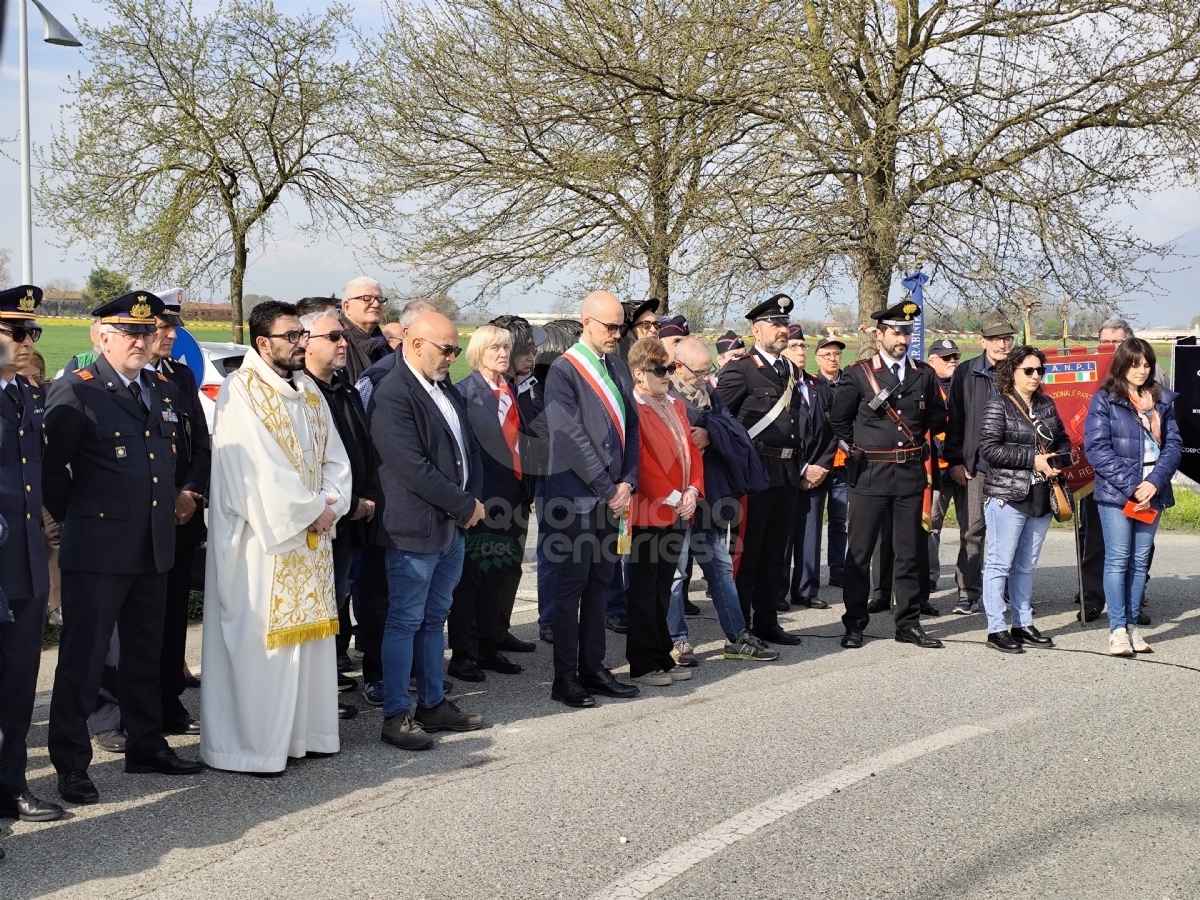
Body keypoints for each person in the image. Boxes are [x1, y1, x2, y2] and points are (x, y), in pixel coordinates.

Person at [44, 291, 202, 805]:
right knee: (83, 661)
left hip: (152, 545)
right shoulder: (78, 390)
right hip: (97, 549)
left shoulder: (158, 385)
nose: (141, 340)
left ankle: (147, 745)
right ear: (103, 337)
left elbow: (163, 462)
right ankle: (70, 764)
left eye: (146, 331)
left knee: (143, 656)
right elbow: (52, 475)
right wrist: (86, 521)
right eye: (129, 333)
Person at [199, 301, 353, 773]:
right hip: (260, 545)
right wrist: (312, 511)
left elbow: (336, 460)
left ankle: (305, 734)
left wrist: (330, 504)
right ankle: (254, 747)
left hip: (309, 536)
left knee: (305, 648)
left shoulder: (308, 390)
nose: (301, 343)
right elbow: (258, 472)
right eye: (292, 336)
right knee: (263, 648)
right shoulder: (240, 392)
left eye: (303, 335)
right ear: (262, 343)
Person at [371, 311, 486, 749]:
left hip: (452, 527)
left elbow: (468, 451)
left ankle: (433, 704)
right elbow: (411, 468)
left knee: (435, 618)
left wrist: (472, 499)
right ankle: (396, 714)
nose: (451, 357)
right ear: (414, 343)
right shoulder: (393, 393)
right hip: (414, 530)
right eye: (445, 349)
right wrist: (463, 505)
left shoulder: (445, 389)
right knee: (405, 620)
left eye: (455, 349)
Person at [542, 290, 641, 707]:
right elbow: (569, 437)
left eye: (621, 326)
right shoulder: (564, 371)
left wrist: (629, 482)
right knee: (571, 589)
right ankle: (565, 676)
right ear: (587, 323)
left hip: (612, 497)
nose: (618, 334)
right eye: (611, 326)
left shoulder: (616, 366)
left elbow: (632, 428)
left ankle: (594, 667)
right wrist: (607, 488)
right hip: (577, 498)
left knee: (602, 584)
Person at [830, 300, 947, 650]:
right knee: (860, 553)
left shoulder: (922, 373)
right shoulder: (859, 373)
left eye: (907, 332)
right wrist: (861, 446)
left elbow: (935, 418)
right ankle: (854, 624)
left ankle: (908, 623)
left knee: (909, 552)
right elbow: (838, 419)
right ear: (879, 334)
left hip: (909, 476)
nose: (903, 338)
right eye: (896, 332)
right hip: (870, 474)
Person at [665, 338, 777, 662]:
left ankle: (737, 636)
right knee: (676, 573)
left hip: (707, 494)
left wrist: (710, 433)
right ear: (677, 366)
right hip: (674, 496)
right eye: (697, 373)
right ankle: (678, 640)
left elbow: (734, 428)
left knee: (719, 566)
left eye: (707, 371)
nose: (704, 378)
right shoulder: (662, 392)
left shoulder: (708, 393)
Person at [0, 286, 62, 822]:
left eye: (32, 333)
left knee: (20, 681)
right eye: (16, 333)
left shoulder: (23, 393)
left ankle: (12, 783)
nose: (27, 342)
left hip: (23, 562)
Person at [716, 293, 809, 646]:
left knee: (775, 553)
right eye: (776, 324)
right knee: (747, 555)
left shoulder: (788, 369)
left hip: (786, 471)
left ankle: (767, 620)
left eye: (785, 323)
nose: (782, 329)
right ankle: (741, 627)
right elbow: (718, 418)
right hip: (754, 474)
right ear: (757, 330)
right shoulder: (739, 370)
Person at [301, 301, 379, 717]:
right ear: (307, 342)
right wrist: (344, 503)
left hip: (354, 515)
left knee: (340, 596)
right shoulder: (302, 393)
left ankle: (330, 675)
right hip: (323, 516)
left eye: (343, 336)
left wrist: (366, 494)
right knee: (322, 602)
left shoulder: (345, 389)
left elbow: (364, 449)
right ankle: (319, 691)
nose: (342, 342)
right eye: (332, 336)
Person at [1084, 338, 1182, 656]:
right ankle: (1116, 630)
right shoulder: (1105, 400)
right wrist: (1133, 486)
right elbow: (1097, 450)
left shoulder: (1162, 400)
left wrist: (1153, 483)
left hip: (1153, 492)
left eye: (1146, 364)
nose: (1141, 370)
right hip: (1118, 494)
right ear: (1122, 365)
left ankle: (1132, 625)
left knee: (1140, 562)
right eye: (1135, 364)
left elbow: (1173, 446)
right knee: (1118, 558)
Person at [447, 325, 528, 681]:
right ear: (479, 351)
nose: (503, 353)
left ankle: (489, 649)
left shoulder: (508, 388)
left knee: (496, 574)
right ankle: (463, 653)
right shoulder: (465, 393)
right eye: (495, 347)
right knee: (471, 578)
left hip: (510, 496)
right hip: (481, 498)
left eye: (506, 347)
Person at [976, 346, 1069, 653]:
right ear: (1012, 372)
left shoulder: (1046, 404)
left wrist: (1058, 458)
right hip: (1007, 495)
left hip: (1042, 493)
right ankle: (996, 628)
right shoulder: (998, 405)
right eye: (1028, 371)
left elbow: (1063, 439)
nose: (1035, 376)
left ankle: (1023, 623)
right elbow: (989, 450)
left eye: (1040, 370)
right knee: (999, 563)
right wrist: (1033, 459)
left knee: (1026, 565)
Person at [623, 338, 702, 686]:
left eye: (670, 368)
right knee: (645, 589)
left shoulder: (676, 405)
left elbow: (693, 450)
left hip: (678, 508)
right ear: (640, 374)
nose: (668, 375)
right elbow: (640, 459)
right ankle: (642, 664)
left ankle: (661, 654)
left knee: (661, 589)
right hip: (649, 510)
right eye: (661, 370)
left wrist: (693, 490)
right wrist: (673, 496)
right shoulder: (633, 406)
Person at [148, 296, 210, 736]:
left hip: (184, 517)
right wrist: (169, 496)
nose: (172, 334)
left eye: (173, 327)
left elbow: (201, 445)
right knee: (138, 624)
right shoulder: (115, 381)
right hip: (146, 518)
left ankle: (169, 703)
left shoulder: (181, 377)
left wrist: (189, 492)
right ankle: (129, 713)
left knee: (172, 617)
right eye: (161, 327)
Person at [944, 310, 1016, 615]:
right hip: (977, 468)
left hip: (1014, 466)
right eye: (997, 338)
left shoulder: (1022, 370)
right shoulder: (966, 372)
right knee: (972, 531)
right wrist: (956, 461)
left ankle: (1009, 593)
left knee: (1012, 533)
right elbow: (955, 420)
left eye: (1007, 338)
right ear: (982, 340)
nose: (1003, 343)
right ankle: (967, 593)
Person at [487, 314, 547, 654]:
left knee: (511, 565)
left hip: (522, 492)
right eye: (523, 349)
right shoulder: (489, 389)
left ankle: (499, 629)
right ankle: (479, 639)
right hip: (496, 493)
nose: (531, 355)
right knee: (488, 566)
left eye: (532, 349)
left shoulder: (530, 386)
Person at [530, 318, 583, 644]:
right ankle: (549, 618)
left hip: (584, 478)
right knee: (554, 552)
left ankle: (568, 613)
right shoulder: (542, 386)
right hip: (553, 480)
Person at [780, 324, 835, 610]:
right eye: (793, 346)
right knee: (782, 535)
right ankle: (777, 592)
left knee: (810, 532)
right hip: (787, 473)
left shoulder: (819, 386)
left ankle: (805, 589)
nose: (800, 351)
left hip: (817, 473)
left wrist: (820, 466)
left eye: (802, 346)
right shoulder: (777, 386)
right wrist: (802, 469)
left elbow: (832, 429)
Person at [925, 338, 959, 595]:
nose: (952, 361)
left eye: (955, 357)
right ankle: (929, 577)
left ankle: (968, 585)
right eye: (946, 357)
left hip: (963, 466)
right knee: (931, 526)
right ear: (932, 360)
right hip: (936, 468)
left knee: (973, 530)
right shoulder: (926, 385)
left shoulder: (966, 383)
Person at [814, 336, 848, 587]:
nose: (833, 359)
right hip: (818, 464)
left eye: (836, 354)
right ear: (818, 359)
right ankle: (809, 574)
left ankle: (838, 569)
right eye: (827, 354)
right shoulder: (811, 385)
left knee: (840, 521)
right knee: (812, 524)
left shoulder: (850, 382)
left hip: (844, 464)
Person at [340, 276, 389, 383]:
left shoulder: (384, 346)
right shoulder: (339, 343)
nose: (376, 304)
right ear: (347, 306)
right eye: (367, 298)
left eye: (379, 299)